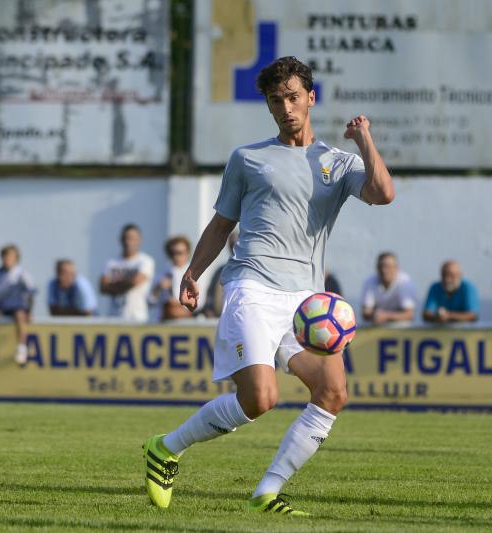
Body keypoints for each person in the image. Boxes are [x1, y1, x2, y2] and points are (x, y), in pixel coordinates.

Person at [142, 56, 394, 515]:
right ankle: (166, 447)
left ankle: (267, 493)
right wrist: (193, 272)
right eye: (276, 100)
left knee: (333, 393)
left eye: (293, 97)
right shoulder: (248, 158)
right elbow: (222, 224)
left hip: (306, 302)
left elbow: (382, 193)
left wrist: (365, 141)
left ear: (311, 99)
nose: (285, 107)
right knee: (260, 399)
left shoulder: (338, 163)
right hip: (252, 287)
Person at [0, 244, 35, 365]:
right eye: (5, 257)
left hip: (16, 305)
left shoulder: (22, 274)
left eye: (10, 257)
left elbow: (30, 293)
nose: (7, 259)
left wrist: (29, 311)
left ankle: (22, 347)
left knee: (20, 316)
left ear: (16, 258)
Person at [100, 224, 154, 322]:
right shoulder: (111, 262)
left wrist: (113, 284)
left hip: (137, 316)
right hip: (113, 316)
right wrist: (126, 282)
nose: (128, 241)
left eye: (132, 238)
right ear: (121, 239)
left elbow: (135, 282)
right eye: (126, 238)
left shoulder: (145, 261)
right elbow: (103, 287)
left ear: (139, 240)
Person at [150, 236, 204, 320]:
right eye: (172, 253)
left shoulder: (195, 275)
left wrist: (179, 304)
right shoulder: (162, 275)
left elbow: (201, 303)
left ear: (187, 253)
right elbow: (150, 301)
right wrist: (158, 288)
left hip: (186, 321)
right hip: (164, 322)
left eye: (180, 253)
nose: (176, 256)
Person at [360, 252, 415, 324]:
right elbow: (366, 312)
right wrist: (375, 315)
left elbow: (409, 314)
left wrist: (386, 316)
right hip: (376, 328)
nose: (384, 270)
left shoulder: (405, 282)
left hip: (400, 330)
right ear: (377, 268)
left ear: (396, 268)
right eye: (381, 266)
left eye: (388, 266)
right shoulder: (369, 281)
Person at [202, 232, 238, 318]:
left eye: (237, 244)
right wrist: (209, 308)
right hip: (219, 319)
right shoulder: (220, 270)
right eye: (232, 244)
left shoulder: (251, 270)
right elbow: (210, 293)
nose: (234, 247)